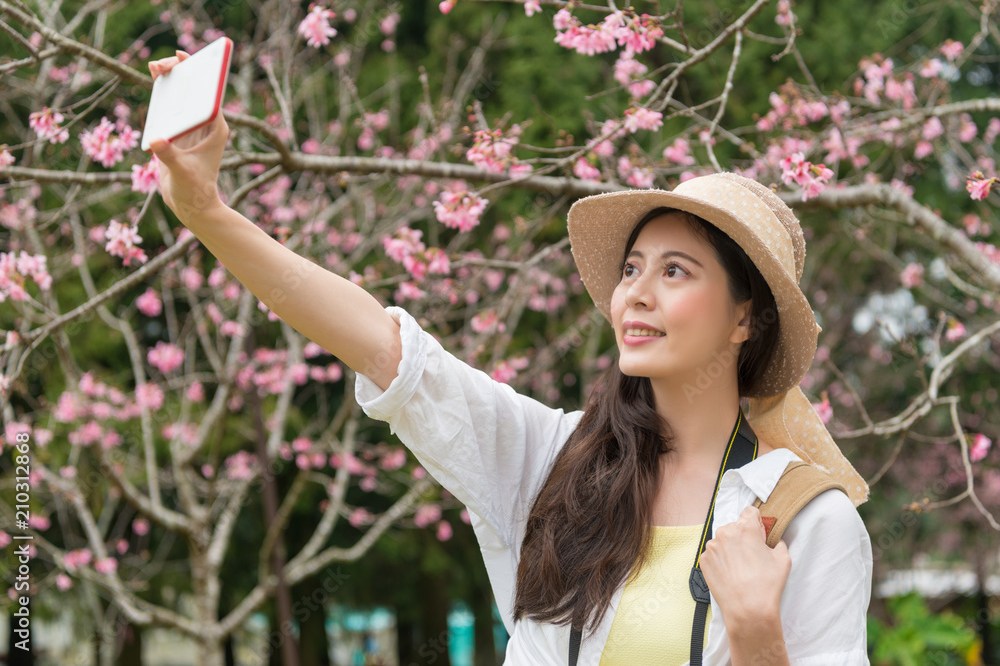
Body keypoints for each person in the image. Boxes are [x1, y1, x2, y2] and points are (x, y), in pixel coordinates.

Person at [148, 52, 873, 666]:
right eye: (631, 270)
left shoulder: (806, 522)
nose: (636, 297)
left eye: (675, 272)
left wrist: (757, 636)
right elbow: (385, 348)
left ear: (745, 316)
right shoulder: (554, 460)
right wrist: (206, 210)